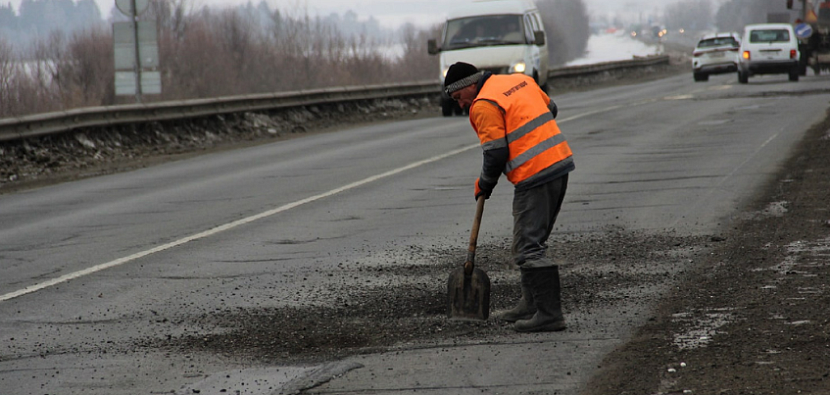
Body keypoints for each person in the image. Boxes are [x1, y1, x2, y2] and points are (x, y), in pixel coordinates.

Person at [443, 62, 573, 332]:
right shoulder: (518, 81)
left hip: (534, 174)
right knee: (531, 241)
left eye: (458, 98)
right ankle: (531, 305)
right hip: (559, 163)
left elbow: (495, 153)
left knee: (528, 247)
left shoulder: (483, 103)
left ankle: (549, 315)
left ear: (468, 86)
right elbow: (552, 109)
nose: (460, 105)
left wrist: (484, 183)